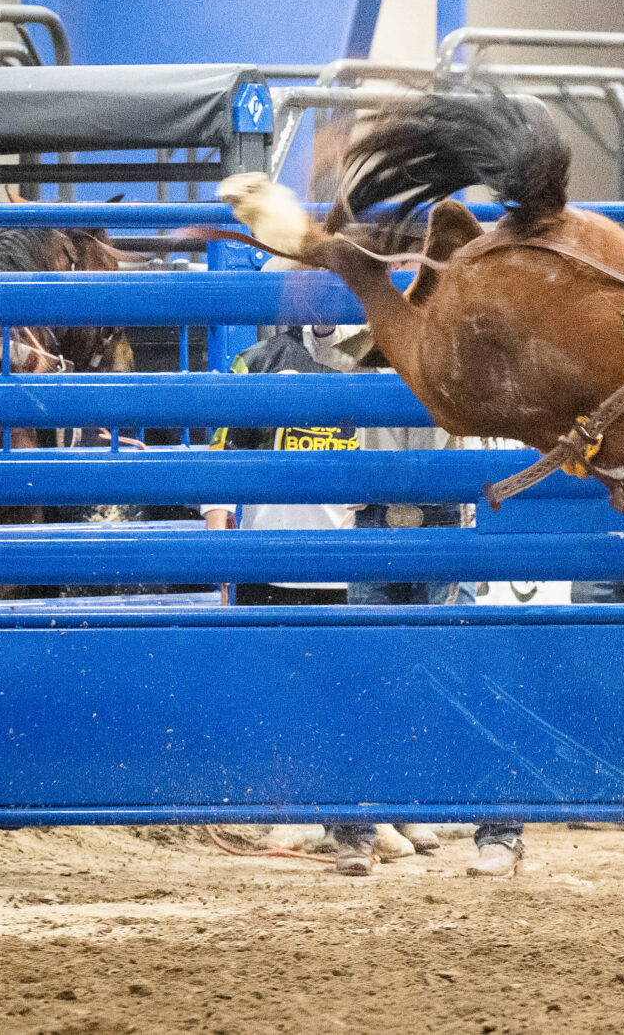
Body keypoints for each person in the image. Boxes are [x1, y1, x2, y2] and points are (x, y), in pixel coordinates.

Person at [204, 309, 525, 878]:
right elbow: (317, 357)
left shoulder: (432, 331)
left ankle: (475, 828)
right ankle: (362, 827)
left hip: (432, 514)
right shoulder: (323, 347)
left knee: (450, 673)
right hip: (378, 519)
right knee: (368, 675)